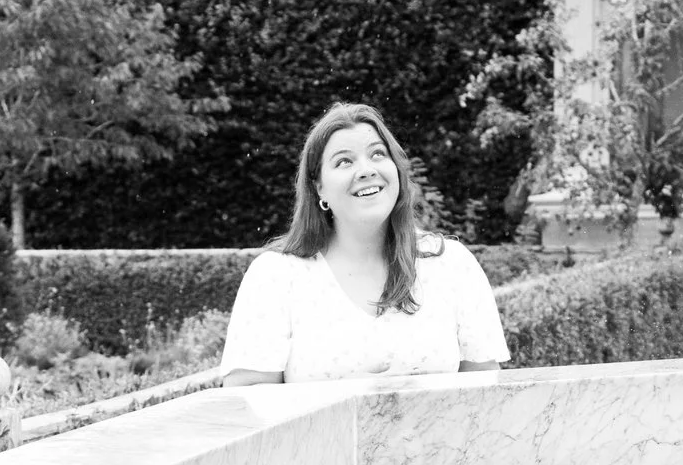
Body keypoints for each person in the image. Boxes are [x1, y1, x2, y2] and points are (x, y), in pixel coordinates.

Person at [218, 102, 508, 385]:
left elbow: (485, 399)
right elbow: (249, 406)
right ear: (319, 187)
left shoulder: (451, 264)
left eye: (378, 154)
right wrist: (353, 400)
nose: (366, 170)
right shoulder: (276, 277)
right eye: (344, 161)